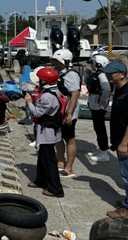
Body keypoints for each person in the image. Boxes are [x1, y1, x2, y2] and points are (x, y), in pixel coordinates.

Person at [24, 67, 65, 198]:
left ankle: (56, 189)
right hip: (52, 129)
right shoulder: (57, 91)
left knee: (49, 160)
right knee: (43, 157)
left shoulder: (47, 96)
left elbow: (37, 112)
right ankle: (40, 180)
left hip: (47, 131)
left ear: (44, 81)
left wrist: (29, 102)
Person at [102, 60, 128, 218]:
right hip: (119, 138)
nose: (108, 75)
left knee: (127, 176)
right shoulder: (119, 90)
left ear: (122, 75)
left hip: (125, 142)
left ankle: (126, 209)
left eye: (112, 72)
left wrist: (124, 143)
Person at [51, 49, 81, 178]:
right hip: (58, 110)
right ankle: (60, 162)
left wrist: (69, 113)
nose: (55, 64)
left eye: (58, 61)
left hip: (68, 110)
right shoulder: (59, 72)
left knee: (69, 138)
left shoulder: (72, 75)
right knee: (58, 137)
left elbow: (75, 94)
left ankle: (69, 168)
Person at [86, 55, 112, 162]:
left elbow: (106, 88)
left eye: (92, 63)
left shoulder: (102, 75)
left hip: (98, 105)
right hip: (94, 104)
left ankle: (104, 152)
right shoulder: (96, 74)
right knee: (97, 128)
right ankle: (101, 148)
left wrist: (103, 100)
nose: (91, 65)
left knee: (100, 129)